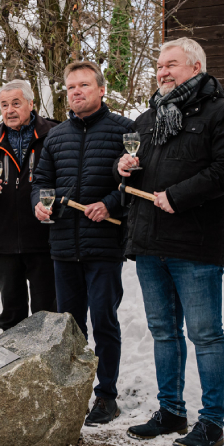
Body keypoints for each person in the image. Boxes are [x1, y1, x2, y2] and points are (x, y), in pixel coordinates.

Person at [119, 37, 224, 446]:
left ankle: (212, 421)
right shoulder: (146, 119)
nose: (162, 72)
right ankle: (171, 410)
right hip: (149, 241)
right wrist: (122, 168)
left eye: (171, 65)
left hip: (195, 242)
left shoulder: (223, 113)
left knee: (206, 334)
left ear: (195, 67)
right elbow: (130, 175)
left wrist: (179, 195)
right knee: (163, 332)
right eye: (159, 66)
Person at [31, 61, 132, 426]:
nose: (76, 92)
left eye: (84, 85)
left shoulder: (125, 130)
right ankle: (74, 393)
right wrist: (40, 206)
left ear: (101, 89)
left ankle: (106, 396)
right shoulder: (56, 137)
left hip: (104, 245)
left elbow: (135, 183)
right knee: (71, 326)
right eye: (71, 87)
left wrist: (110, 204)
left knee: (104, 320)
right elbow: (41, 181)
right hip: (62, 245)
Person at [0, 80, 58, 331]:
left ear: (31, 104)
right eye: (4, 105)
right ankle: (15, 367)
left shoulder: (52, 135)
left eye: (16, 103)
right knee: (12, 314)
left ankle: (48, 367)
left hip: (44, 238)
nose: (9, 110)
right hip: (5, 239)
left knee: (47, 312)